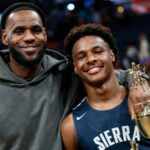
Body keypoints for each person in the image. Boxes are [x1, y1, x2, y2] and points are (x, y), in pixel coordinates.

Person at [61, 24, 150, 150]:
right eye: (81, 57)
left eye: (98, 51)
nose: (91, 59)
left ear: (111, 55)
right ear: (75, 67)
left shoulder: (145, 97)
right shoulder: (70, 126)